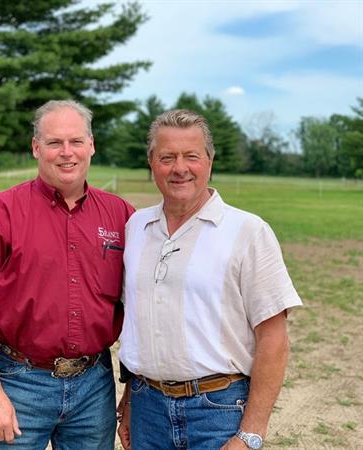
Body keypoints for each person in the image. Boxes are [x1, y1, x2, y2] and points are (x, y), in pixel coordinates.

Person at [0, 100, 134, 449]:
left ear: (91, 145)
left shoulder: (121, 215)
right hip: (18, 382)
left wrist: (134, 388)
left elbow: (141, 302)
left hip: (94, 384)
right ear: (36, 148)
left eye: (76, 141)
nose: (67, 152)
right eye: (54, 143)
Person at [116, 109, 302, 450]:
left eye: (192, 156)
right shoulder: (136, 228)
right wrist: (130, 396)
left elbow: (273, 338)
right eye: (167, 157)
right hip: (147, 410)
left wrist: (250, 433)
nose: (180, 168)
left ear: (210, 160)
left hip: (217, 410)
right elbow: (141, 324)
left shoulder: (248, 231)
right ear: (151, 163)